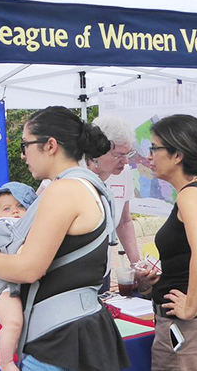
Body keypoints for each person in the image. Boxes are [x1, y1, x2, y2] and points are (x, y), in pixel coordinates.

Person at [0, 106, 130, 371]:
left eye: (26, 145)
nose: (23, 155)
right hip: (78, 329)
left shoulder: (64, 191)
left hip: (60, 339)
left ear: (50, 146)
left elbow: (29, 268)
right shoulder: (88, 186)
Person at [135, 114, 197, 371]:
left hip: (192, 330)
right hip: (195, 328)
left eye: (154, 148)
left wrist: (191, 307)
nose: (149, 156)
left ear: (177, 155)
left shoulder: (191, 195)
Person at [0, 182, 37, 371]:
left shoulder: (35, 224)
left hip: (18, 284)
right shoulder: (0, 226)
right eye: (7, 208)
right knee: (13, 322)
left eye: (20, 205)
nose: (15, 211)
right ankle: (5, 362)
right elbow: (12, 252)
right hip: (2, 287)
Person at [85, 116, 141, 291]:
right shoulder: (72, 172)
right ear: (97, 151)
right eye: (119, 155)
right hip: (72, 276)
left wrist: (136, 263)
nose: (126, 162)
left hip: (103, 270)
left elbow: (124, 222)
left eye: (128, 154)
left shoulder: (123, 173)